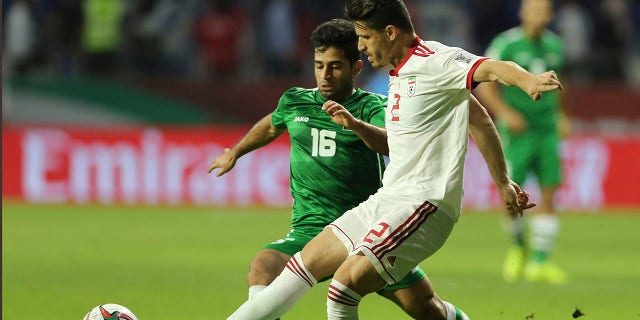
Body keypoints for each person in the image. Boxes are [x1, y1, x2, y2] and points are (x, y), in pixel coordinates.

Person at [225, 0, 556, 318]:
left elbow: (493, 68)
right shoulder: (399, 74)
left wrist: (526, 80)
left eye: (366, 38)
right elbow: (480, 118)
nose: (362, 47)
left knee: (342, 289)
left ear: (390, 32)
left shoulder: (434, 60)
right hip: (387, 199)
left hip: (425, 202)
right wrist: (502, 182)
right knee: (297, 270)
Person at [209, 18, 473, 319]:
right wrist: (237, 152)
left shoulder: (374, 107)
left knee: (428, 309)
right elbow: (271, 125)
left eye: (335, 66)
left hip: (369, 230)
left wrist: (354, 125)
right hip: (310, 230)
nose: (325, 74)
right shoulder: (296, 101)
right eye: (319, 65)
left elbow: (392, 143)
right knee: (263, 267)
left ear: (356, 68)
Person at [475, 0, 570, 285]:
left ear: (551, 15)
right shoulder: (506, 45)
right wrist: (505, 113)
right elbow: (484, 85)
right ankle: (518, 250)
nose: (539, 16)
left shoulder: (556, 46)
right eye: (534, 10)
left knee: (550, 190)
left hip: (547, 130)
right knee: (511, 194)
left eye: (544, 11)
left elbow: (560, 84)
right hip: (517, 133)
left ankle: (540, 262)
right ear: (523, 13)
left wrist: (562, 115)